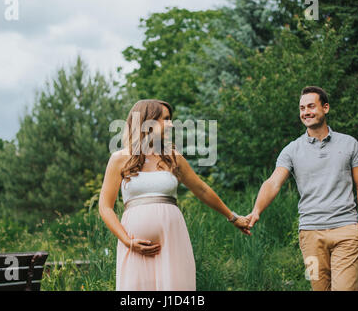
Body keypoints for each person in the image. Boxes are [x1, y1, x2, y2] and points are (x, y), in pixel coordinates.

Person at [99, 99, 249, 291]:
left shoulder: (173, 157)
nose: (171, 124)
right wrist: (127, 241)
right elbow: (105, 207)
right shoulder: (119, 158)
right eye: (166, 119)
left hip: (173, 242)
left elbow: (201, 189)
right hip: (134, 246)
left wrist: (233, 217)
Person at [246, 86, 358, 291]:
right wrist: (257, 210)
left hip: (346, 231)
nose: (306, 112)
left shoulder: (349, 144)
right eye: (302, 108)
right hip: (310, 237)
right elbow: (273, 182)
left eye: (311, 106)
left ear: (326, 108)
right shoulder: (291, 150)